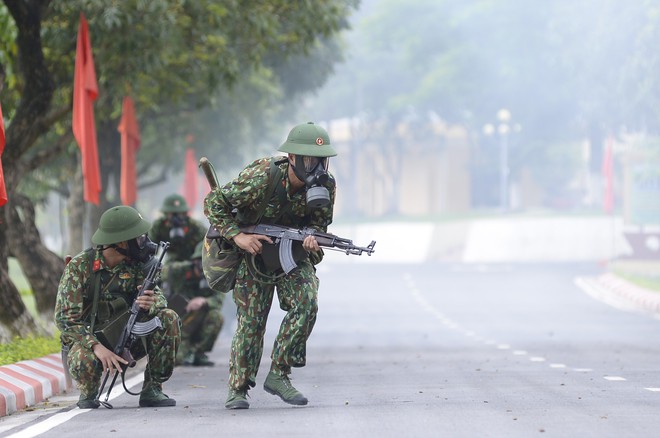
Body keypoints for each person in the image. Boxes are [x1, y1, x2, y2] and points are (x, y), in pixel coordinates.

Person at [203, 121, 337, 409]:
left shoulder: (326, 187)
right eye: (310, 160)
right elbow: (214, 203)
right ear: (292, 158)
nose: (317, 168)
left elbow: (318, 225)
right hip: (253, 255)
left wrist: (313, 240)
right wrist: (238, 236)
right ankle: (238, 388)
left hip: (291, 255)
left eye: (321, 160)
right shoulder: (263, 175)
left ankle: (279, 374)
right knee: (251, 323)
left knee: (307, 301)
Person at [55, 205, 181, 409]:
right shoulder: (80, 267)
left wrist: (150, 303)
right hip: (91, 341)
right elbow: (65, 319)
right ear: (121, 242)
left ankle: (153, 388)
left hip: (129, 335)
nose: (145, 243)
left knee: (169, 318)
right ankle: (88, 392)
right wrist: (97, 347)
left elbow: (159, 299)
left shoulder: (140, 265)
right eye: (138, 238)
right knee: (82, 358)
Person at [165, 241, 225, 367]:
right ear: (195, 261)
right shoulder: (179, 271)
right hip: (180, 324)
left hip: (199, 322)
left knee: (216, 316)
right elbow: (159, 274)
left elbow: (218, 300)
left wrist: (203, 301)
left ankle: (197, 352)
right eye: (202, 261)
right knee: (175, 361)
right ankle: (183, 351)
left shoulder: (216, 276)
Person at [149, 194, 206, 263]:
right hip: (171, 265)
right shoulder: (159, 227)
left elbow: (208, 247)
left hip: (194, 264)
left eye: (179, 214)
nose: (176, 218)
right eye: (172, 214)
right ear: (166, 214)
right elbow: (149, 251)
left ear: (185, 214)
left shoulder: (195, 227)